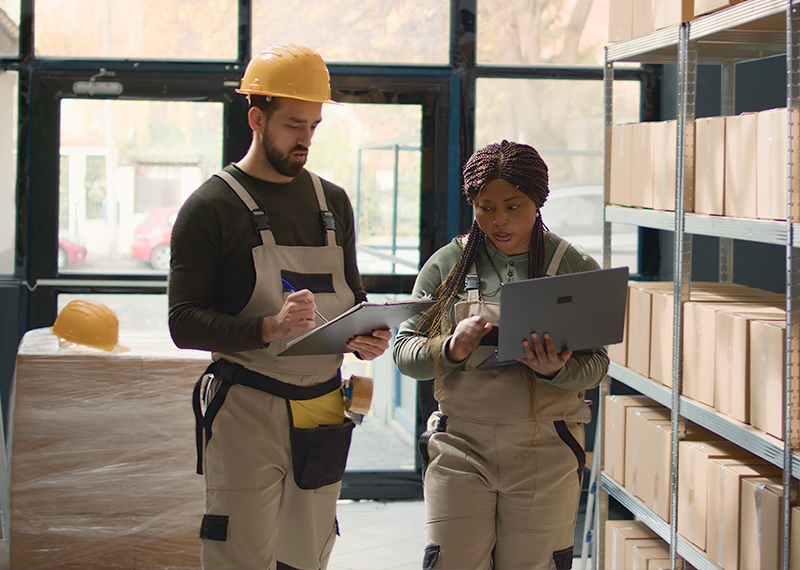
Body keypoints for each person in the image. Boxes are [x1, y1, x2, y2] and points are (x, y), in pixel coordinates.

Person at [168, 43, 391, 570]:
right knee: (240, 554)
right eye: (294, 125)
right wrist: (266, 328)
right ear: (256, 118)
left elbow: (353, 297)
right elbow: (182, 323)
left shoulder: (332, 202)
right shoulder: (211, 208)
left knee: (307, 555)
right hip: (249, 405)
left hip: (322, 407)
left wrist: (367, 337)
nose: (305, 140)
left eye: (314, 126)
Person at [393, 140, 609, 570]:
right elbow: (404, 352)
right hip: (460, 448)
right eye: (485, 207)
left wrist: (557, 371)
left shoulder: (575, 267)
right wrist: (450, 349)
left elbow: (597, 366)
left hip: (546, 449)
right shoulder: (447, 265)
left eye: (513, 206)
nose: (499, 220)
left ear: (537, 200)